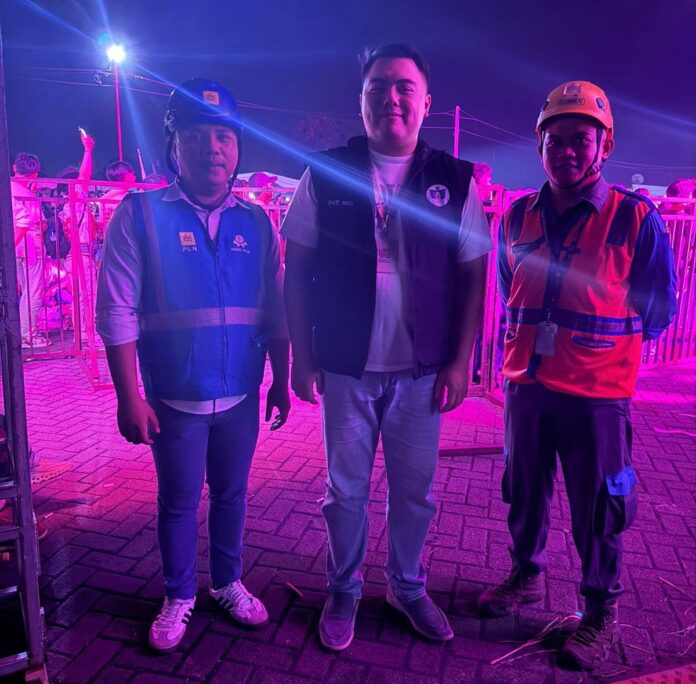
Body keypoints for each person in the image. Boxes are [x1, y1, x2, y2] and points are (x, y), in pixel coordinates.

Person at [282, 44, 492, 650]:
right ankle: (343, 588)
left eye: (404, 88)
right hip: (346, 366)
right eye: (377, 87)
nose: (390, 98)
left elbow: (473, 272)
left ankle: (407, 586)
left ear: (426, 103)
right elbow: (296, 270)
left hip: (421, 371)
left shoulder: (453, 179)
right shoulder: (324, 172)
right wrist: (302, 356)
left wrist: (460, 361)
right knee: (344, 491)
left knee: (415, 493)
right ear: (361, 101)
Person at [479, 81, 677, 670]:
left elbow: (658, 309)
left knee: (599, 507)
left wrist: (600, 345)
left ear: (604, 146)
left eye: (580, 140)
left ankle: (599, 612)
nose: (566, 150)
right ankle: (526, 576)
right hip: (527, 386)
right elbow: (510, 287)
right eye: (555, 139)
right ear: (540, 145)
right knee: (524, 489)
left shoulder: (635, 218)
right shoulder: (517, 215)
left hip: (596, 394)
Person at [96, 78, 290, 653]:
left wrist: (281, 379)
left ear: (238, 146)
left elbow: (276, 307)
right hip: (174, 398)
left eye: (225, 138)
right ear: (174, 145)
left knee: (232, 494)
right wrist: (129, 396)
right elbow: (116, 310)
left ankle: (227, 582)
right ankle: (179, 593)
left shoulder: (257, 223)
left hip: (241, 396)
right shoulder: (139, 216)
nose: (213, 149)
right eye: (198, 136)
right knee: (179, 501)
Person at [11, 153, 49, 348]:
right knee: (34, 291)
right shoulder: (26, 194)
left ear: (14, 168)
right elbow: (33, 223)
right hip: (30, 246)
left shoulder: (7, 189)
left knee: (26, 291)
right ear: (35, 174)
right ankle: (27, 335)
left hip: (18, 248)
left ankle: (24, 332)